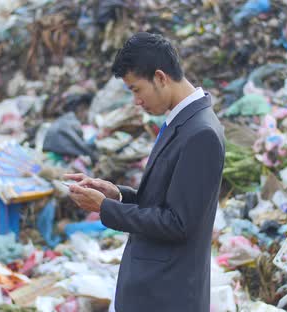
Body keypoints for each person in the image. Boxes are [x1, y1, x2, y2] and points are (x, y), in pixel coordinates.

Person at [64, 32, 225, 312]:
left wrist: (105, 209)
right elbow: (164, 201)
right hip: (154, 290)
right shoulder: (181, 121)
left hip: (167, 295)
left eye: (136, 89)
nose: (136, 101)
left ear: (161, 77)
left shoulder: (201, 133)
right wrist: (117, 194)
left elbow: (178, 223)